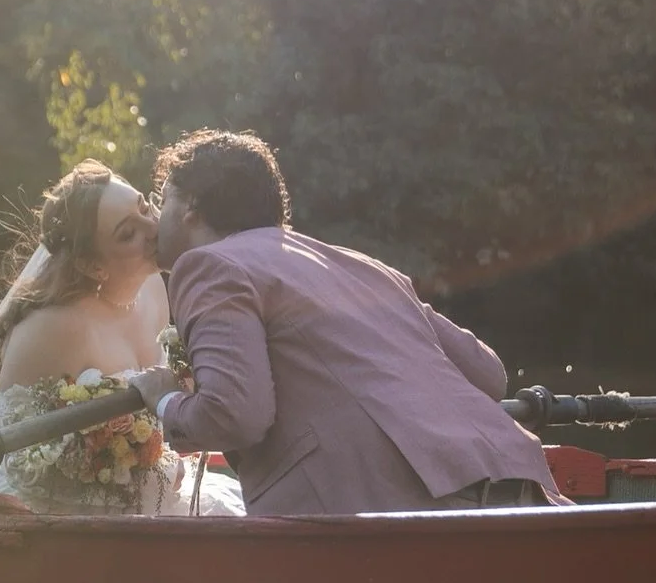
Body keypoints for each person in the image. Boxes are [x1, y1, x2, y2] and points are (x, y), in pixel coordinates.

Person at [130, 129, 564, 516]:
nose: (156, 217)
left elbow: (235, 415)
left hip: (396, 516)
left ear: (191, 207)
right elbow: (488, 375)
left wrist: (165, 400)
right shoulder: (363, 265)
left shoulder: (209, 266)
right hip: (524, 490)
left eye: (163, 199)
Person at [0, 159, 242, 516]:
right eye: (128, 233)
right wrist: (147, 476)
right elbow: (21, 467)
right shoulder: (50, 330)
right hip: (59, 521)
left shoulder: (154, 288)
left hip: (148, 500)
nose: (154, 226)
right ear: (92, 265)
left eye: (145, 206)